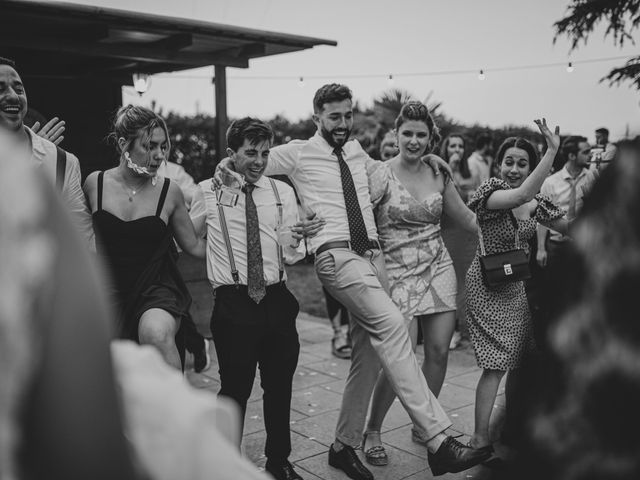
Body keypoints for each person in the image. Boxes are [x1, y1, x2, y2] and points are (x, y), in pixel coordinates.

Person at [216, 84, 490, 479]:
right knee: (395, 326)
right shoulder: (297, 152)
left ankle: (344, 446)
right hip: (336, 255)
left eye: (347, 115)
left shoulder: (359, 152)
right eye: (334, 117)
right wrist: (223, 169)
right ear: (317, 117)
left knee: (370, 354)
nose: (343, 124)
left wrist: (429, 156)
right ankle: (438, 439)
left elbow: (395, 169)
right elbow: (248, 160)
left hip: (372, 257)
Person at [201, 117, 322, 480]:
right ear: (231, 153)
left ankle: (279, 461)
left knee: (280, 387)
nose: (258, 161)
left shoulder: (281, 192)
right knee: (234, 390)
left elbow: (289, 254)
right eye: (250, 153)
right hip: (233, 302)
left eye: (265, 153)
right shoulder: (207, 191)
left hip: (277, 299)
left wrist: (298, 238)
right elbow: (186, 237)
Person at [361, 102, 477, 466]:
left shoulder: (438, 173)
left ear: (431, 138)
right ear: (396, 134)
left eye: (421, 134)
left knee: (440, 350)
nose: (413, 140)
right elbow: (361, 222)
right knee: (399, 359)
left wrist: (509, 216)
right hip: (394, 272)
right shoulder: (379, 173)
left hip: (437, 267)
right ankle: (373, 429)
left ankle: (425, 425)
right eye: (407, 133)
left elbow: (467, 218)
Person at [465, 121, 568, 457]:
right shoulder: (490, 192)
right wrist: (551, 151)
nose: (514, 168)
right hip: (487, 286)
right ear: (498, 165)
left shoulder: (537, 202)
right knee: (495, 365)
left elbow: (568, 225)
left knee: (520, 362)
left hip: (514, 288)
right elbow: (521, 194)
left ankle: (512, 431)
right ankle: (480, 439)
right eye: (508, 161)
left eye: (522, 163)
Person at [83, 105, 206, 369]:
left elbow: (194, 245)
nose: (159, 156)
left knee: (155, 334)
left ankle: (175, 408)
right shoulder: (95, 184)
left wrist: (248, 244)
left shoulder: (169, 191)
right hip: (107, 289)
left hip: (156, 288)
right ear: (123, 144)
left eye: (163, 147)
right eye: (150, 146)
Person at [0, 56, 93, 245]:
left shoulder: (63, 162)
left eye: (19, 89)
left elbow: (82, 239)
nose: (13, 96)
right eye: (0, 88)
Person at [157, 159, 212, 373]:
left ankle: (196, 344)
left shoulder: (173, 171)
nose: (158, 152)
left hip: (170, 245)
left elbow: (195, 194)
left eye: (163, 145)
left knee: (171, 301)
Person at [440, 133, 478, 349]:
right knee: (448, 282)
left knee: (466, 283)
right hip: (446, 231)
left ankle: (463, 328)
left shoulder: (469, 173)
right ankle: (450, 328)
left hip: (465, 234)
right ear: (445, 147)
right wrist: (451, 168)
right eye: (452, 145)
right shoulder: (438, 172)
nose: (456, 149)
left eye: (460, 146)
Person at [536, 135, 595, 268]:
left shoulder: (592, 178)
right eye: (585, 152)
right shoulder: (550, 182)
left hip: (583, 244)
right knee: (555, 285)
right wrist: (541, 249)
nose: (590, 155)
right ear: (572, 156)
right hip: (557, 245)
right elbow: (542, 218)